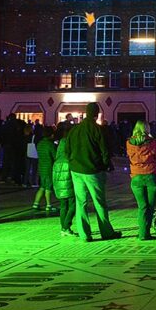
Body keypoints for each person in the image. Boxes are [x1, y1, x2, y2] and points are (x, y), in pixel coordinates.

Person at [64, 103, 121, 242]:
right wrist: (105, 165)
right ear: (97, 114)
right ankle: (106, 232)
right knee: (99, 202)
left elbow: (66, 150)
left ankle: (84, 234)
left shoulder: (75, 129)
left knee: (80, 202)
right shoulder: (97, 129)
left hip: (76, 170)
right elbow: (104, 151)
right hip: (93, 170)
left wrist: (72, 162)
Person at [127, 120, 156, 240]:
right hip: (151, 176)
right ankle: (145, 233)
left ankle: (142, 233)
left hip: (136, 177)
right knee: (150, 206)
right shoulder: (151, 142)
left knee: (142, 206)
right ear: (146, 129)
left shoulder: (129, 142)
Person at [53, 124, 77, 237]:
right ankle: (66, 226)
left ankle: (63, 228)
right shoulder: (72, 142)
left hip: (57, 170)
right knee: (73, 203)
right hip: (68, 171)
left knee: (63, 204)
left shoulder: (61, 142)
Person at [32, 127, 57, 211]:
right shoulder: (50, 144)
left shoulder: (40, 143)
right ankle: (49, 205)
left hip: (41, 167)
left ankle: (36, 203)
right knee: (48, 187)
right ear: (51, 135)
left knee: (42, 186)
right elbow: (55, 156)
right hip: (49, 168)